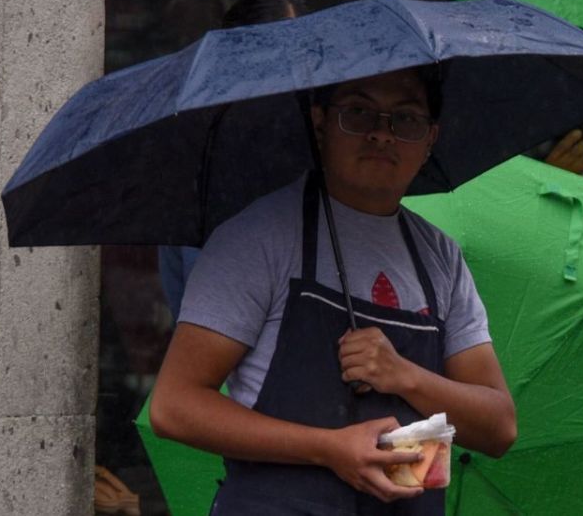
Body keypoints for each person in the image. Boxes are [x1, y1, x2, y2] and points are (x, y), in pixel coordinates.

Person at [150, 64, 517, 514]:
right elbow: (174, 406)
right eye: (359, 113)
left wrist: (407, 376)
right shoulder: (257, 237)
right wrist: (328, 448)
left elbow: (498, 426)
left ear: (430, 139)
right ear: (320, 122)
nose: (382, 135)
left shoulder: (440, 257)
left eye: (405, 118)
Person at [158, 0, 307, 321]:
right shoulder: (198, 174)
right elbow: (187, 303)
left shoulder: (317, 164)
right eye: (270, 61)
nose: (284, 80)